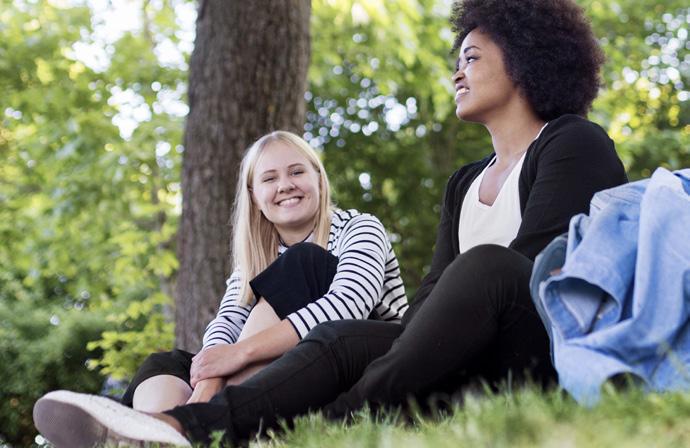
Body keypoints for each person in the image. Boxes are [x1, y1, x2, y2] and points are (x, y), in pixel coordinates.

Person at [33, 0, 628, 446]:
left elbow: (545, 277)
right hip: (457, 348)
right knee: (340, 338)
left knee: (489, 266)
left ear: (525, 64)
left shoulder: (573, 143)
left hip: (533, 346)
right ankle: (167, 427)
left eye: (472, 57)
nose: (457, 72)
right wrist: (372, 347)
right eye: (458, 60)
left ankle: (315, 426)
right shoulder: (464, 183)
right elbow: (431, 299)